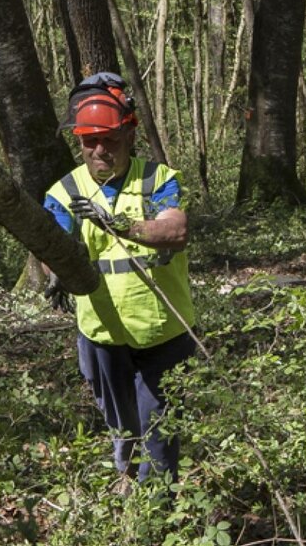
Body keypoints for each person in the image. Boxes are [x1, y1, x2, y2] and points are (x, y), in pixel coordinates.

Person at [42, 72, 196, 486]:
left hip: (163, 330)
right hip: (102, 336)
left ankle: (156, 508)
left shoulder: (157, 181)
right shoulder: (63, 193)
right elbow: (51, 246)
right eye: (89, 140)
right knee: (123, 426)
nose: (98, 150)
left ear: (128, 135)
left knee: (160, 433)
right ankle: (125, 474)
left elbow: (175, 230)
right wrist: (55, 270)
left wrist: (121, 225)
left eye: (108, 139)